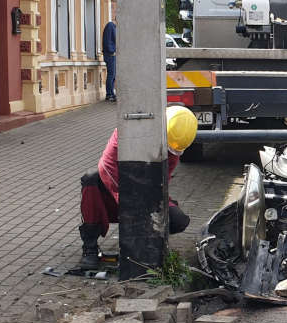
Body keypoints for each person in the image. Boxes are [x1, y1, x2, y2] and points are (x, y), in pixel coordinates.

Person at [77, 106, 198, 269]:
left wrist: (154, 209)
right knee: (91, 178)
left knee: (178, 221)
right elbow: (107, 169)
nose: (171, 154)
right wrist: (131, 207)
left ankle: (153, 239)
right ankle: (89, 247)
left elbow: (161, 183)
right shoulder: (126, 132)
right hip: (114, 193)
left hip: (143, 195)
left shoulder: (173, 151)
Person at [102, 14, 117, 102]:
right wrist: (112, 51)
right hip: (110, 55)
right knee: (111, 74)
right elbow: (107, 40)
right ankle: (109, 94)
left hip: (113, 55)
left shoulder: (114, 27)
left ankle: (111, 93)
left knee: (113, 74)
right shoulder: (110, 26)